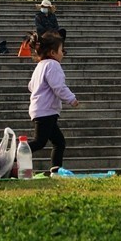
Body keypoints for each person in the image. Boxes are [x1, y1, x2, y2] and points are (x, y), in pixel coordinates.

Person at [28, 31, 79, 171]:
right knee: (39, 142)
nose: (63, 53)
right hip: (46, 110)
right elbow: (59, 87)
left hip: (40, 109)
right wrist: (71, 99)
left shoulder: (40, 65)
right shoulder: (53, 65)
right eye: (61, 50)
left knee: (59, 142)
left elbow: (31, 86)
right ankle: (13, 155)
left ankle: (56, 170)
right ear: (52, 52)